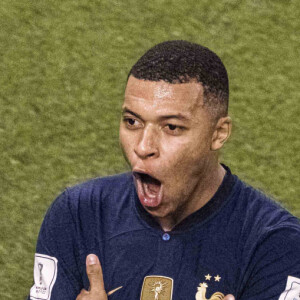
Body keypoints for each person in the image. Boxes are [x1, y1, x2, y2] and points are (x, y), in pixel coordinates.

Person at [28, 40, 300, 300]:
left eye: (171, 127)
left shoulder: (276, 244)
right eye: (132, 121)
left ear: (218, 134)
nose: (143, 146)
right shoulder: (78, 216)